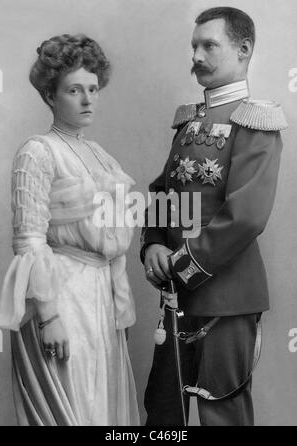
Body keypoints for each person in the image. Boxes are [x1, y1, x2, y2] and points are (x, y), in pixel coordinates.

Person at [141, 7, 287, 426]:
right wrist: (153, 241)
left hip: (226, 295)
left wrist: (181, 264)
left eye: (209, 45)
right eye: (194, 46)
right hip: (176, 296)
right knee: (164, 410)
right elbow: (163, 192)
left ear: (244, 50)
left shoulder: (255, 122)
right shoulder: (189, 123)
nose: (197, 56)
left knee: (220, 412)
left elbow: (246, 216)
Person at [0, 33, 140, 426]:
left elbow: (113, 242)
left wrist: (118, 311)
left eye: (93, 88)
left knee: (105, 409)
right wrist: (48, 317)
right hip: (60, 296)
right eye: (74, 90)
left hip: (101, 298)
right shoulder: (37, 151)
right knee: (74, 408)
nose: (87, 99)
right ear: (50, 95)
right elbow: (28, 238)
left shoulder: (102, 157)